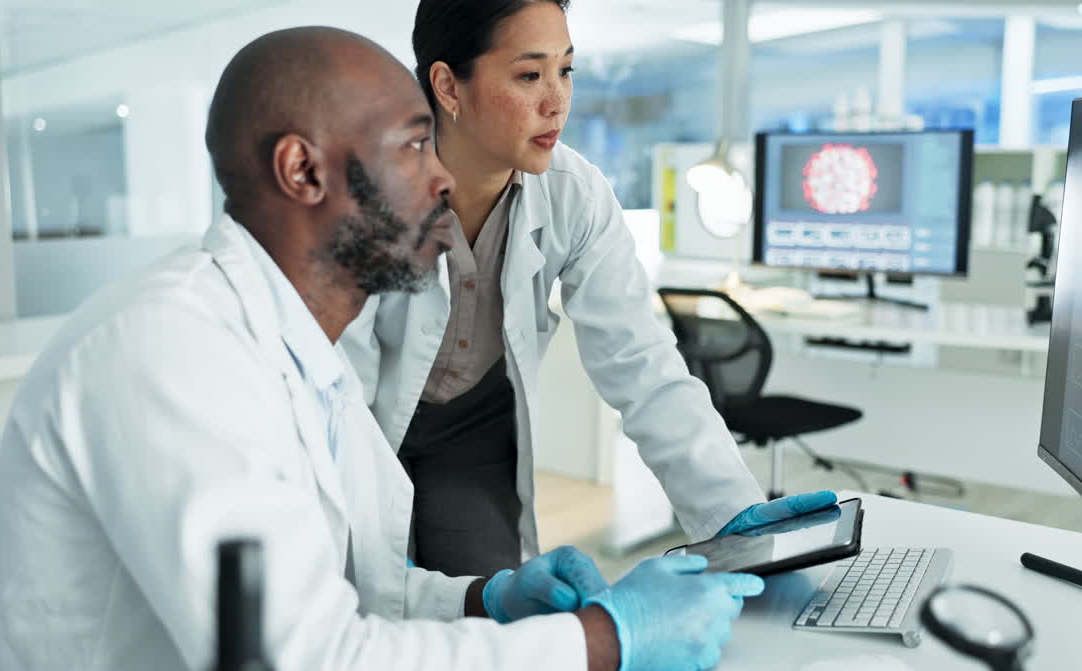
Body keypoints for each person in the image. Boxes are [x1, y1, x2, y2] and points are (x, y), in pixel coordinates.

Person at [0, 27, 764, 671]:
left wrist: (484, 600)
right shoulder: (171, 350)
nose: (441, 177)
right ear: (302, 171)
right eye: (413, 145)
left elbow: (354, 593)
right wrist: (605, 640)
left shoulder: (307, 364)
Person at [340, 0, 837, 577]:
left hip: (473, 431)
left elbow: (642, 361)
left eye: (566, 70)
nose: (557, 102)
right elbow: (335, 383)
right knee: (356, 585)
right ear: (449, 86)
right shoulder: (366, 193)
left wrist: (733, 512)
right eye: (530, 75)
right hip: (360, 420)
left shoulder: (574, 193)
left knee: (485, 601)